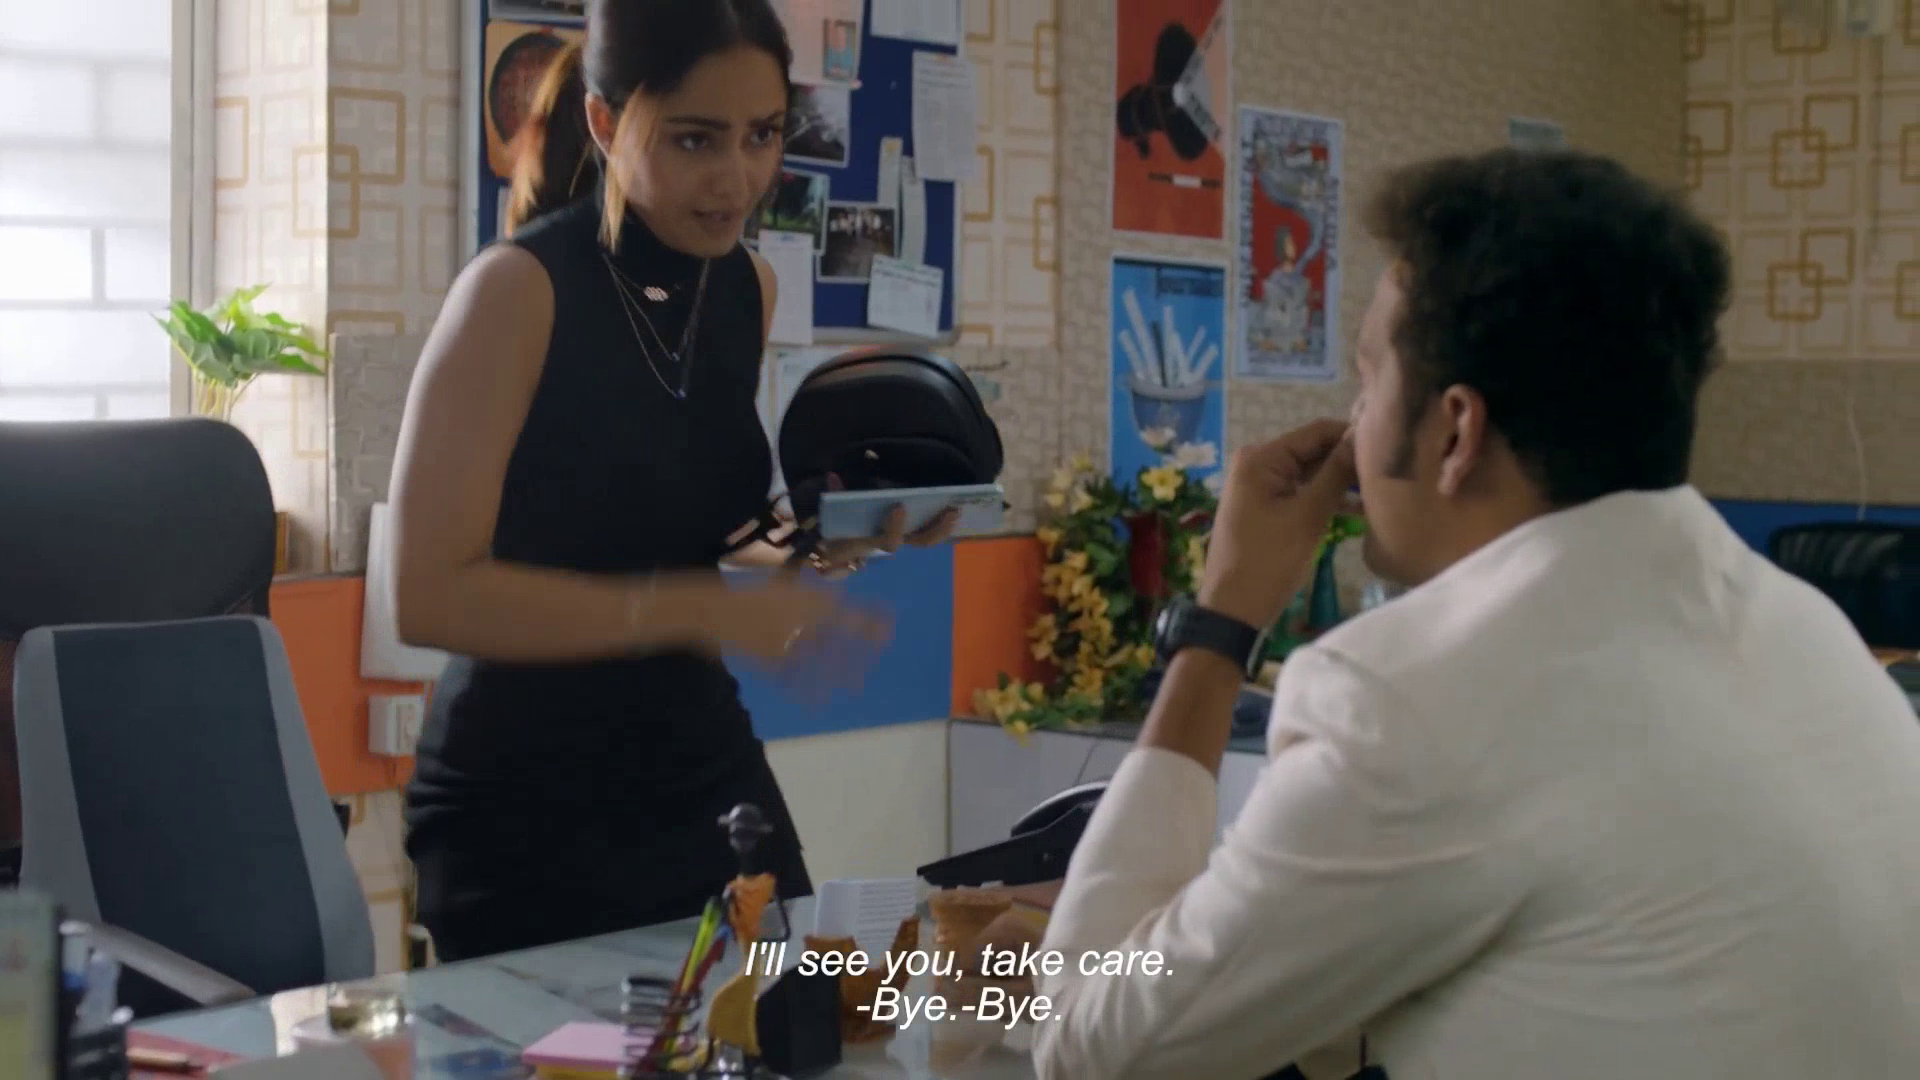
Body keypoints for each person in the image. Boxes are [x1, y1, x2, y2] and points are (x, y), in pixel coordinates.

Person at [1024, 149, 1920, 1078]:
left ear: (1456, 430)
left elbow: (1095, 1049)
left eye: (1368, 379)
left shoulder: (1412, 703)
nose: (1352, 424)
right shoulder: (1807, 631)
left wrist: (1219, 627)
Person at [388, 0, 953, 963]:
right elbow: (428, 595)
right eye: (696, 139)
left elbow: (701, 531)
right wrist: (692, 608)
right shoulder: (516, 291)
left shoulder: (746, 288)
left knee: (794, 1013)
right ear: (606, 123)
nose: (738, 177)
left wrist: (828, 539)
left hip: (696, 759)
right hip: (523, 795)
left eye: (763, 135)